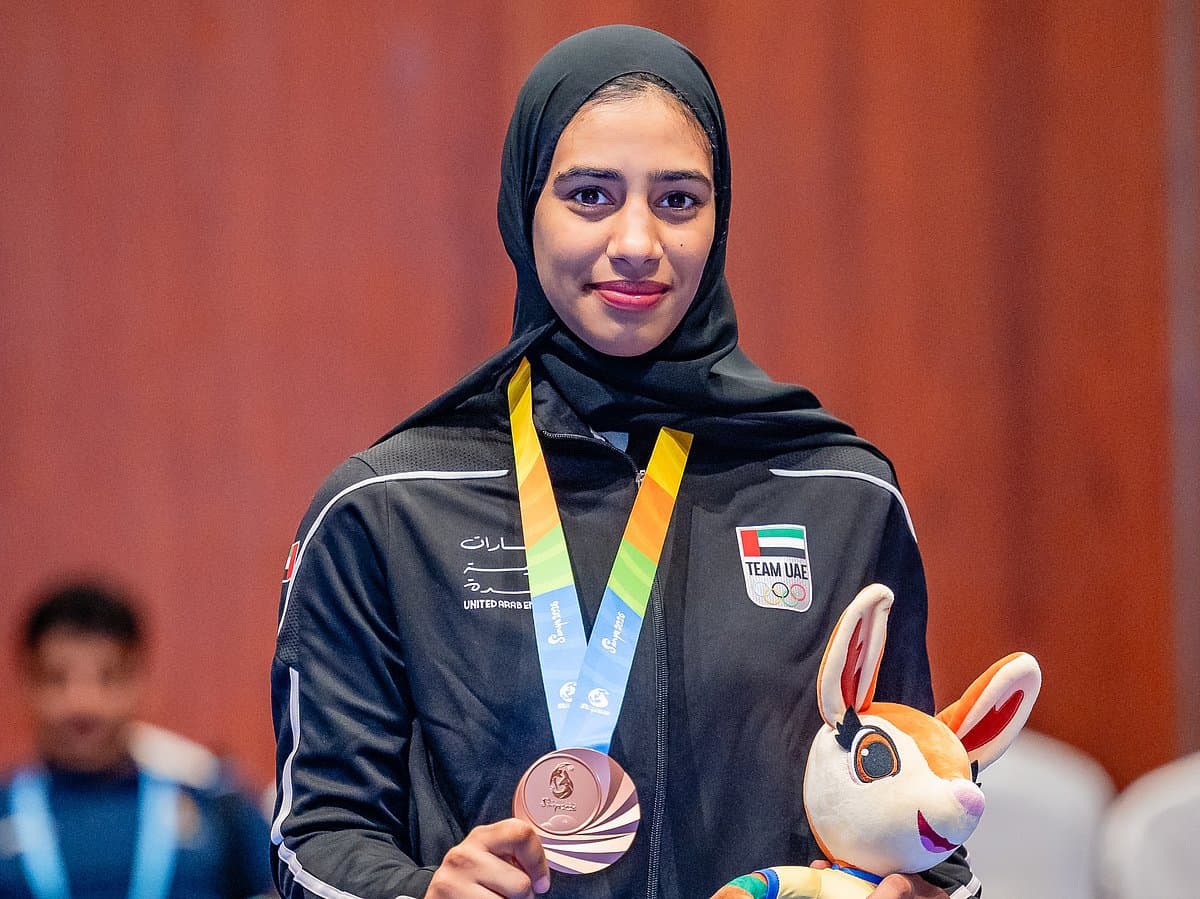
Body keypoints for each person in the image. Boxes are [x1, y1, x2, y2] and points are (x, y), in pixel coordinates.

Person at [270, 24, 981, 899]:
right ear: (523, 208)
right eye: (590, 196)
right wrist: (421, 894)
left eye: (678, 199)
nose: (638, 240)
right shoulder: (388, 508)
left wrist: (924, 890)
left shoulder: (842, 495)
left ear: (721, 218)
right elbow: (315, 836)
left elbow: (926, 822)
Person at [1, 581, 275, 899]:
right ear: (27, 684)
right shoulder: (6, 807)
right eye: (57, 679)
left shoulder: (219, 808)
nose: (83, 703)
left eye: (108, 677)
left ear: (139, 681)